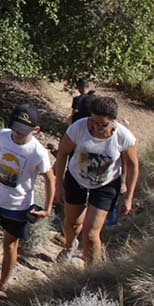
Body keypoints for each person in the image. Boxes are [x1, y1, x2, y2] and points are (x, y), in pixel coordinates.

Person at [0, 104, 56, 300]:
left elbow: (50, 178)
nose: (17, 134)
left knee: (10, 244)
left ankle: (3, 283)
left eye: (23, 131)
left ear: (36, 130)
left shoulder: (38, 152)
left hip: (18, 205)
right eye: (15, 128)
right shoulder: (3, 135)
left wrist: (48, 208)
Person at [53, 95, 140, 268]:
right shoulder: (79, 127)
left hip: (105, 185)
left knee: (91, 233)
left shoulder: (123, 137)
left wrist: (129, 196)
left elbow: (133, 165)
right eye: (93, 121)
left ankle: (91, 273)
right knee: (73, 223)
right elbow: (62, 153)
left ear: (113, 121)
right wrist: (59, 185)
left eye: (103, 124)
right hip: (77, 178)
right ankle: (70, 245)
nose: (97, 127)